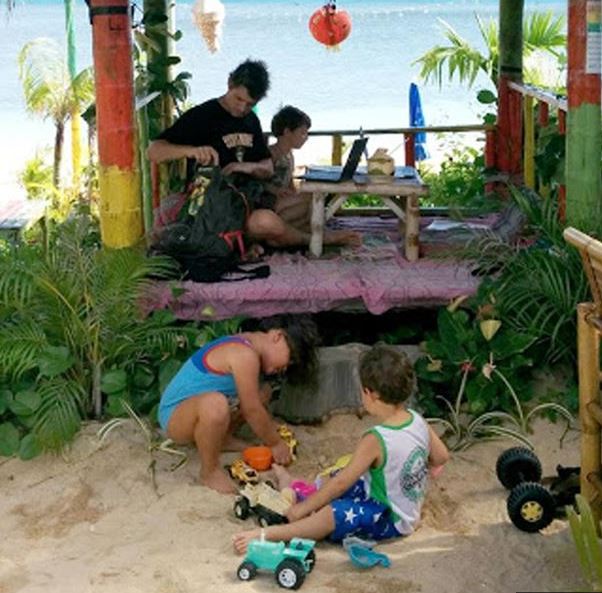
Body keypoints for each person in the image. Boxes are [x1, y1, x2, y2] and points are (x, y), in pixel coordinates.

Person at [232, 343, 450, 553]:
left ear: (370, 393)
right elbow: (441, 457)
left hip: (390, 519)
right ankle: (294, 489)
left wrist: (302, 511)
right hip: (405, 507)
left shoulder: (376, 439)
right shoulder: (417, 419)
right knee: (339, 477)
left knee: (332, 513)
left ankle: (272, 533)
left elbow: (340, 484)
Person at [147, 60, 359, 250]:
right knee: (267, 222)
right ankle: (316, 240)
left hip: (254, 197)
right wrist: (191, 151)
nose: (242, 108)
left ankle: (263, 239)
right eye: (239, 99)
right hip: (218, 207)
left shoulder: (251, 121)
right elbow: (154, 151)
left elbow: (266, 167)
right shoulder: (202, 116)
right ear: (229, 83)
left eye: (250, 104)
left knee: (312, 200)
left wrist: (242, 167)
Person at [158, 315, 319, 494]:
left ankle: (222, 439)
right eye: (290, 359)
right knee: (216, 405)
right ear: (277, 336)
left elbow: (253, 402)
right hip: (174, 416)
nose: (286, 367)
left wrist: (271, 428)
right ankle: (210, 471)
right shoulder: (244, 354)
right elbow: (251, 410)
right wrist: (275, 443)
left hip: (196, 409)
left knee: (262, 393)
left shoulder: (249, 344)